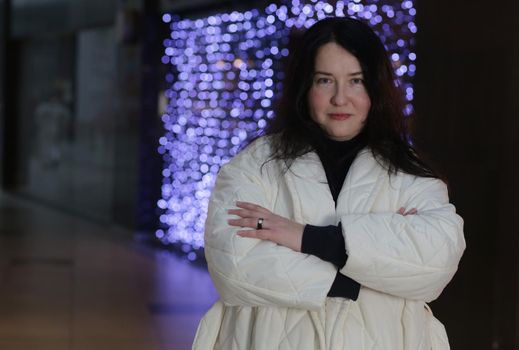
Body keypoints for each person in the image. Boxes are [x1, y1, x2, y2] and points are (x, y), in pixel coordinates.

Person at [193, 16, 465, 350]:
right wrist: (375, 262)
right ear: (305, 86)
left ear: (376, 88)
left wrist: (303, 237)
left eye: (356, 81)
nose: (340, 98)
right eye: (325, 80)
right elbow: (233, 264)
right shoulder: (256, 165)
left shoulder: (409, 172)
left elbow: (436, 261)